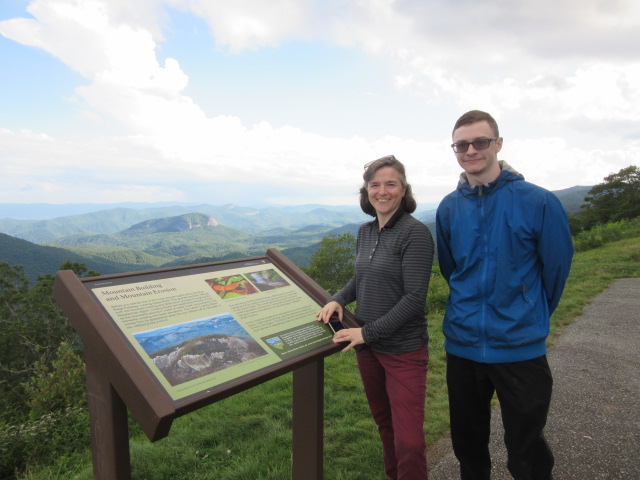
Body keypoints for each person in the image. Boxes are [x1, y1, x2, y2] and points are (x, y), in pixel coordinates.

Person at [436, 110, 574, 480]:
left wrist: (528, 311)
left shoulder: (538, 201)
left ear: (498, 144)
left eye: (480, 141)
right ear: (455, 150)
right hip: (463, 344)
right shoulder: (449, 207)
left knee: (526, 450)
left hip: (519, 346)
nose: (471, 150)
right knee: (468, 446)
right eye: (462, 144)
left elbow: (556, 269)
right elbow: (453, 269)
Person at [317, 155, 434, 480]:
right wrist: (338, 299)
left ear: (403, 189)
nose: (382, 191)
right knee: (384, 425)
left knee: (409, 440)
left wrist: (365, 334)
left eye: (390, 184)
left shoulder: (415, 233)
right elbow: (362, 279)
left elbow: (414, 299)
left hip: (403, 350)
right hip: (369, 350)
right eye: (375, 185)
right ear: (366, 191)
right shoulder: (365, 232)